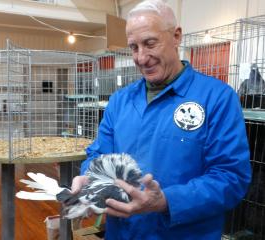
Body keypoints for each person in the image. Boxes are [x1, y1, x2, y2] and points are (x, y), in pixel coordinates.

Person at [71, 0, 252, 239]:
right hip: (123, 232)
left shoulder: (217, 98)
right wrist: (90, 176)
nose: (141, 58)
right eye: (133, 47)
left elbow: (231, 177)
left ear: (176, 36)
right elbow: (98, 155)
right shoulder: (120, 101)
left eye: (150, 43)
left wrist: (167, 200)